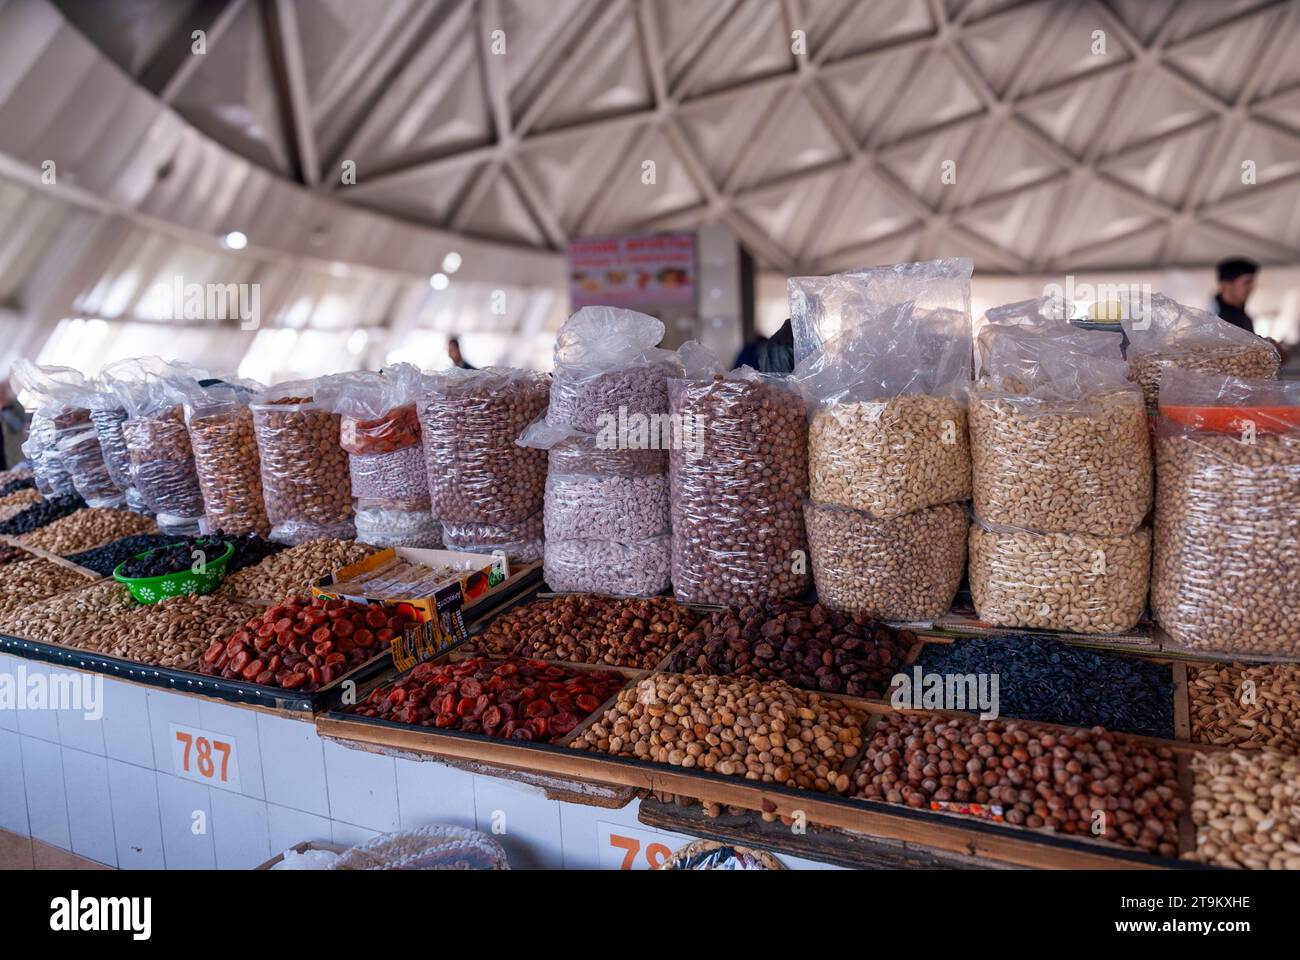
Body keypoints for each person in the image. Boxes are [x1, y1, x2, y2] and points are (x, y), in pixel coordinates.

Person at [1213, 257, 1259, 334]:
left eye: (1252, 283)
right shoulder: (1210, 318)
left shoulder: (1245, 319)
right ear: (1224, 286)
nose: (1252, 287)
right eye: (1247, 282)